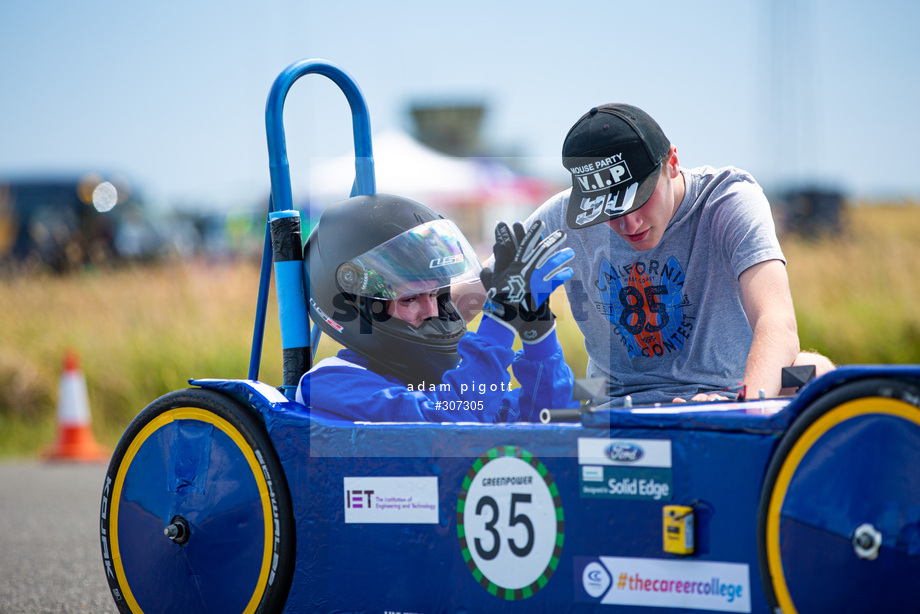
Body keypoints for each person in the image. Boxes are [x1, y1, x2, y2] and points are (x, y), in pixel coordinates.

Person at [524, 103, 834, 406]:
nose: (629, 223)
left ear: (672, 162)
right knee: (553, 395)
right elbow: (482, 283)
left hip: (728, 393)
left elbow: (777, 321)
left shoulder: (729, 200)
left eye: (640, 199)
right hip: (613, 397)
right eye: (609, 210)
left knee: (816, 373)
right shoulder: (562, 217)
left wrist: (743, 408)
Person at [297, 193, 578, 422]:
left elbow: (548, 417)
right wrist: (501, 318)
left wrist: (537, 326)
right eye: (409, 299)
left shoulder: (446, 380)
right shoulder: (330, 382)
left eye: (436, 295)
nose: (432, 311)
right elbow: (451, 424)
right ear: (358, 308)